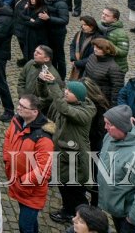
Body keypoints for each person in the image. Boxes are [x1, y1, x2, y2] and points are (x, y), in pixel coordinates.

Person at [39, 69, 95, 224]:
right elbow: (46, 97)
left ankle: (83, 218)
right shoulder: (69, 102)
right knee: (64, 187)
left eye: (69, 91)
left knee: (75, 192)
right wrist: (44, 82)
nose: (66, 92)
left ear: (78, 96)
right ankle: (68, 210)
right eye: (66, 89)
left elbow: (64, 109)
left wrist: (53, 84)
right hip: (63, 155)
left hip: (76, 161)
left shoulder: (84, 112)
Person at [97, 105, 135, 233]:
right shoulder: (109, 137)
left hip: (125, 216)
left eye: (109, 124)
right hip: (112, 205)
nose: (105, 127)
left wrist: (131, 221)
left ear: (122, 127)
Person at [2, 93, 53, 233]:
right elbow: (8, 137)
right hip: (17, 182)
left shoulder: (43, 138)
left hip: (31, 190)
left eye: (23, 107)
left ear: (35, 112)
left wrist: (23, 181)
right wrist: (7, 158)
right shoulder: (17, 120)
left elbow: (43, 170)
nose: (18, 108)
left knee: (25, 226)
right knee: (29, 222)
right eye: (19, 104)